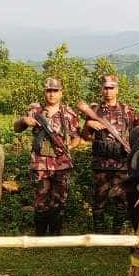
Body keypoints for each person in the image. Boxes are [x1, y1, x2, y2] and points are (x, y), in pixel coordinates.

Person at [14, 77, 81, 236]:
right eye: (48, 91)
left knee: (59, 200)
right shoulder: (35, 110)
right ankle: (40, 236)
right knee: (40, 201)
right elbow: (16, 128)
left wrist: (69, 146)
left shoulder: (69, 114)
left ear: (61, 93)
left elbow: (77, 137)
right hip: (40, 164)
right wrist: (24, 120)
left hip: (62, 164)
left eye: (55, 91)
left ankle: (55, 236)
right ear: (45, 92)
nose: (51, 94)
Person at [81, 75, 136, 234]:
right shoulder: (95, 110)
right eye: (105, 88)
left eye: (111, 88)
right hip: (101, 165)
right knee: (99, 200)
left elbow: (135, 133)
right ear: (102, 89)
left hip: (121, 165)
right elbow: (85, 136)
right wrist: (89, 124)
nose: (108, 91)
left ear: (117, 90)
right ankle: (99, 233)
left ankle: (116, 232)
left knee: (122, 201)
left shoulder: (128, 110)